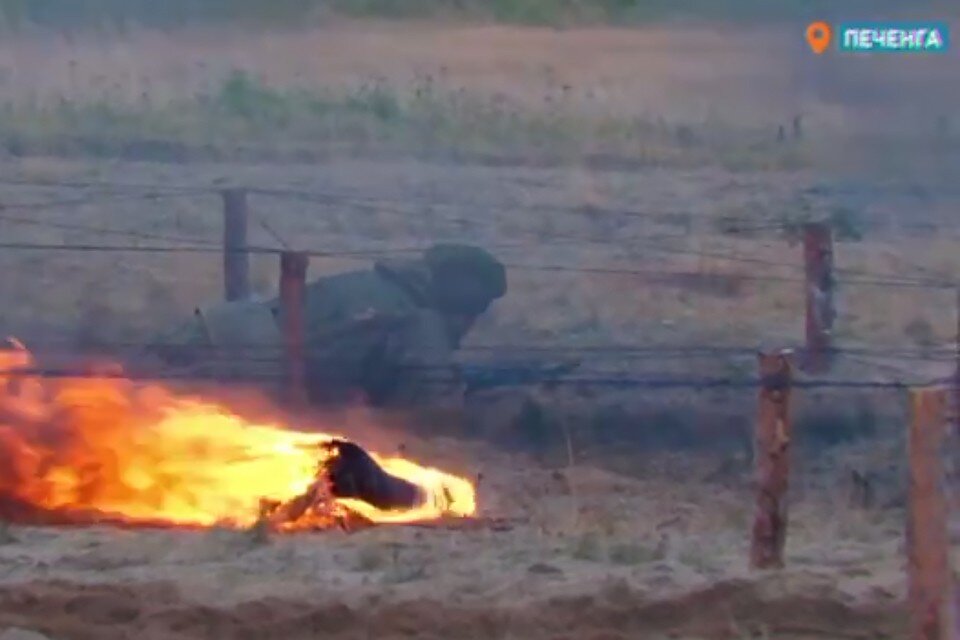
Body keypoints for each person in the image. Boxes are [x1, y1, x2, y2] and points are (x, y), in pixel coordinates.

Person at [147, 244, 507, 417]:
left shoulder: (375, 283)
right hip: (243, 372)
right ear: (466, 309)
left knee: (113, 388)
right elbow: (432, 414)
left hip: (219, 324)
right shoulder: (421, 324)